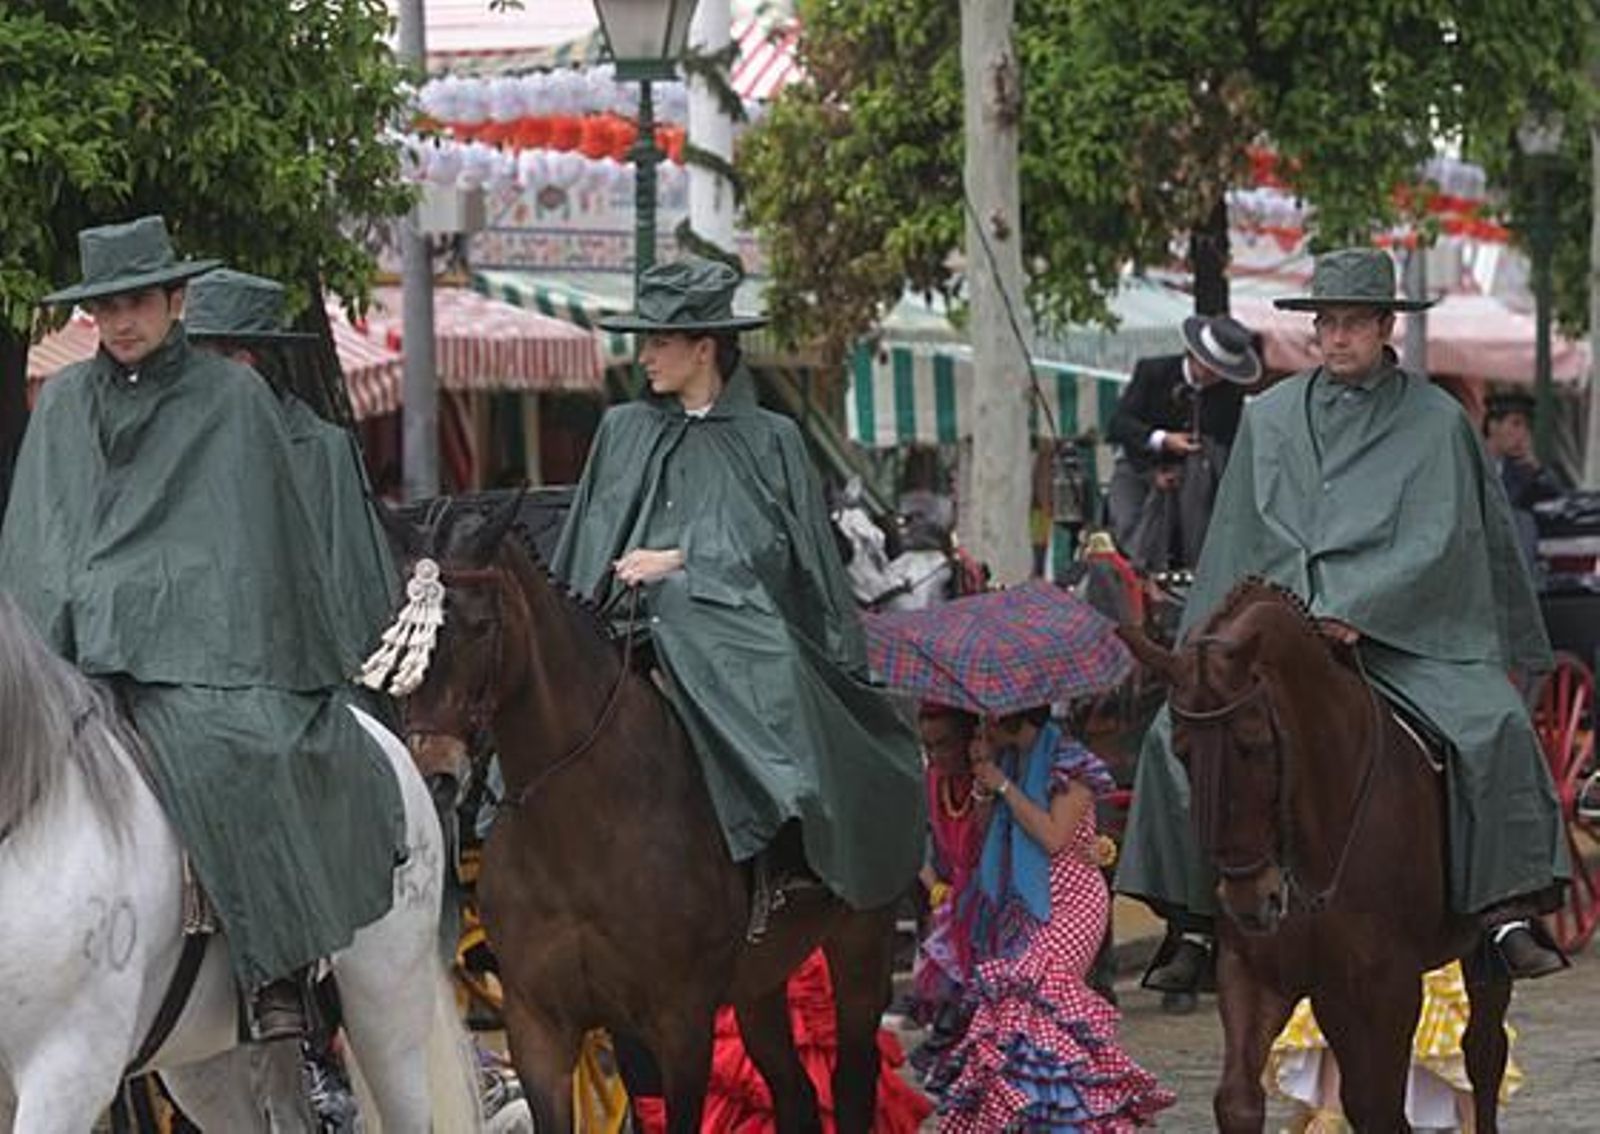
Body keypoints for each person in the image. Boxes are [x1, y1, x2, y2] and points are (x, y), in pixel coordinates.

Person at [1116, 246, 1569, 996]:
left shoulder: (1437, 423)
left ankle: (1504, 907)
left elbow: (1446, 539)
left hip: (1404, 640)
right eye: (1325, 322)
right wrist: (1247, 630)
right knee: (1177, 731)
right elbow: (1240, 535)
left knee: (1496, 725)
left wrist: (1364, 610)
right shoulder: (1269, 419)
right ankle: (1192, 919)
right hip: (1279, 636)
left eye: (1353, 323)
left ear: (1387, 325)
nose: (1336, 338)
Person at [0, 216, 407, 1041]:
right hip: (71, 653)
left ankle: (275, 969)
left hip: (202, 655)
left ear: (175, 299)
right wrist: (71, 613)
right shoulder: (66, 401)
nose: (121, 322)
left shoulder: (233, 400)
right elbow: (43, 538)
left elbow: (253, 552)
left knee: (241, 750)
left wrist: (145, 599)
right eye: (106, 306)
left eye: (138, 301)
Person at [549, 256, 925, 938]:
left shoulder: (771, 439)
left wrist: (684, 559)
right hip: (622, 612)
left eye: (660, 342)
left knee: (773, 664)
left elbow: (788, 551)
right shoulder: (622, 429)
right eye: (645, 340)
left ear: (704, 348)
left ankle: (787, 843)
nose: (646, 356)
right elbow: (590, 530)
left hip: (727, 616)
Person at [925, 705, 1174, 1130]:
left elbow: (1053, 837)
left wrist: (1003, 786)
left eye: (987, 720)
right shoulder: (1007, 762)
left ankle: (1075, 1118)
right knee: (1012, 1019)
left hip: (1073, 900)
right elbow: (985, 836)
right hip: (1020, 904)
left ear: (1011, 719)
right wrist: (985, 783)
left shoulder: (1069, 763)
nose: (981, 728)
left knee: (1038, 1001)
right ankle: (1031, 1116)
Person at [1106, 314, 1260, 571]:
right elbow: (1119, 425)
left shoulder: (1229, 394)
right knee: (1128, 534)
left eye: (1220, 374)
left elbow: (1228, 446)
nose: (1213, 379)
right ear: (1195, 355)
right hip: (1140, 470)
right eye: (1210, 369)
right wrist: (1163, 440)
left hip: (1195, 483)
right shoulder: (1153, 372)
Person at [907, 703, 986, 1078]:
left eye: (945, 744)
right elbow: (912, 836)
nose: (937, 755)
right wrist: (934, 883)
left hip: (990, 892)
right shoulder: (932, 780)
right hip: (952, 894)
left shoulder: (987, 778)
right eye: (929, 746)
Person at [1482, 390, 1564, 576]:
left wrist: (1535, 466)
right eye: (1516, 423)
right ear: (1494, 425)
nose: (1522, 433)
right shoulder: (1471, 459)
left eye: (1526, 426)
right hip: (1476, 543)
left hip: (1508, 550)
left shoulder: (1521, 468)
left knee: (1523, 519)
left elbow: (1557, 495)